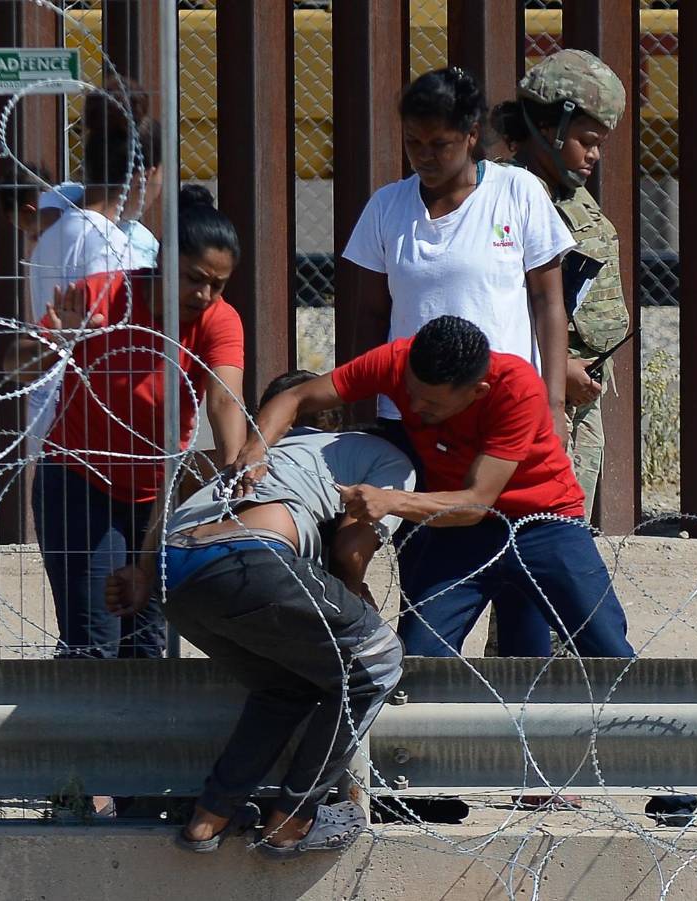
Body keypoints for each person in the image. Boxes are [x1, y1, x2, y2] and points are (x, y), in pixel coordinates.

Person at [107, 371, 412, 856]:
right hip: (252, 559)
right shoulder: (380, 456)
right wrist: (358, 611)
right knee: (376, 662)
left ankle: (209, 818)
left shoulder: (251, 455)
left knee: (284, 686)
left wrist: (144, 573)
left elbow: (170, 507)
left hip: (176, 572)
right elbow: (351, 550)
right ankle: (294, 821)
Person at [233, 316, 633, 659]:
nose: (414, 408)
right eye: (410, 393)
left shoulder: (516, 388)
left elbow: (477, 503)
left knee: (605, 646)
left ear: (477, 392)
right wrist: (255, 449)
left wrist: (390, 500)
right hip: (456, 532)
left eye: (432, 404)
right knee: (421, 657)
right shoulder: (396, 361)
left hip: (542, 524)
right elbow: (297, 395)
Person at [3, 186, 247, 659]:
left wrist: (235, 467)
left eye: (219, 284)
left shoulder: (218, 319)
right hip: (78, 481)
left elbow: (224, 398)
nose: (205, 294)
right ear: (164, 260)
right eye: (195, 279)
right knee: (94, 644)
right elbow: (16, 367)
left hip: (155, 491)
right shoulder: (101, 295)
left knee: (146, 644)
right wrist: (60, 339)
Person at [340, 66, 576, 445]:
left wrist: (553, 406)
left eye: (439, 144)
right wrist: (362, 411)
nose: (423, 157)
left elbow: (548, 302)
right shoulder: (386, 206)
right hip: (410, 417)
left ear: (471, 136)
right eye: (413, 142)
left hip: (501, 411)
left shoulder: (518, 192)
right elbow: (370, 315)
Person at [489, 49, 631, 520]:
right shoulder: (510, 194)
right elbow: (500, 300)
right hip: (539, 392)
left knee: (566, 524)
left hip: (578, 394)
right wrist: (561, 368)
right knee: (537, 528)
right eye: (587, 140)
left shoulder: (567, 189)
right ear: (550, 127)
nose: (594, 155)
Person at [24, 84, 162, 453]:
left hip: (51, 409)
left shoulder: (56, 223)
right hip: (97, 421)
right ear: (144, 176)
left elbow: (62, 194)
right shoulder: (114, 251)